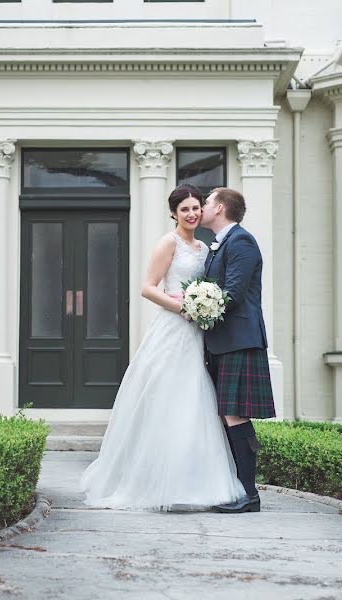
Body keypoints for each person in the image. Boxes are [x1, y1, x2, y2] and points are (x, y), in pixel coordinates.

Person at [81, 184, 245, 511]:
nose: (192, 213)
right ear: (174, 213)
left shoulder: (204, 247)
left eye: (196, 207)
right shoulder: (167, 243)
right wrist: (182, 307)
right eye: (184, 209)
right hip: (172, 330)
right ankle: (149, 483)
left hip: (197, 334)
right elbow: (147, 288)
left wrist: (204, 307)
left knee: (194, 401)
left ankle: (194, 483)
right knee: (167, 399)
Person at [200, 187, 276, 514]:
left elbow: (232, 292)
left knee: (235, 414)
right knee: (225, 414)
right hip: (222, 339)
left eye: (205, 203)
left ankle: (249, 494)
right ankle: (236, 489)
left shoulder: (241, 241)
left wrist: (196, 310)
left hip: (239, 339)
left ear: (218, 208)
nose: (201, 208)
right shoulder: (222, 243)